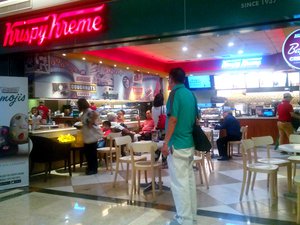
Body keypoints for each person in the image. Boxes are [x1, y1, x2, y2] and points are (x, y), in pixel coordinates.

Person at [161, 68, 197, 225]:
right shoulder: (191, 94)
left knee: (178, 185)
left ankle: (183, 220)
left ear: (171, 79)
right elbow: (196, 119)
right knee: (188, 182)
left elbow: (173, 120)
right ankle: (191, 216)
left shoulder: (174, 94)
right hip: (189, 144)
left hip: (177, 145)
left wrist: (166, 142)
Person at [77, 98, 102, 175]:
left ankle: (93, 169)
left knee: (91, 153)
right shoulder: (85, 111)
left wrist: (90, 123)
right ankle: (91, 167)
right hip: (88, 135)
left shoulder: (88, 111)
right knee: (89, 153)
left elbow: (96, 114)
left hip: (91, 135)